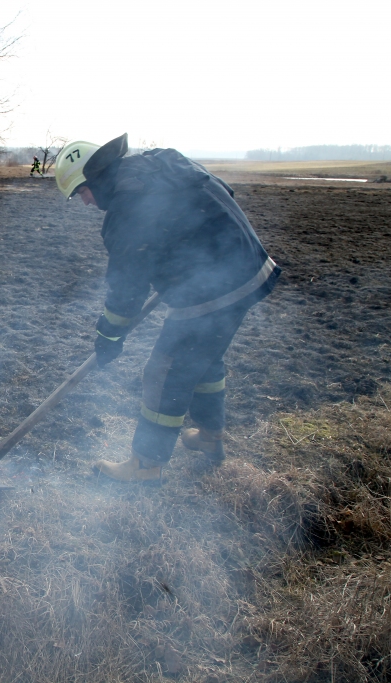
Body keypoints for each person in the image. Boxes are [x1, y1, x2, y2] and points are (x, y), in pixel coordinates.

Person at [54, 134, 280, 483]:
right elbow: (218, 194)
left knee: (165, 370)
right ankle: (209, 438)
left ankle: (146, 466)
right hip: (249, 264)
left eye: (81, 192)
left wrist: (110, 333)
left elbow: (128, 285)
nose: (84, 202)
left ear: (95, 179)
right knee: (202, 358)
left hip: (216, 285)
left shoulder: (127, 207)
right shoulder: (159, 162)